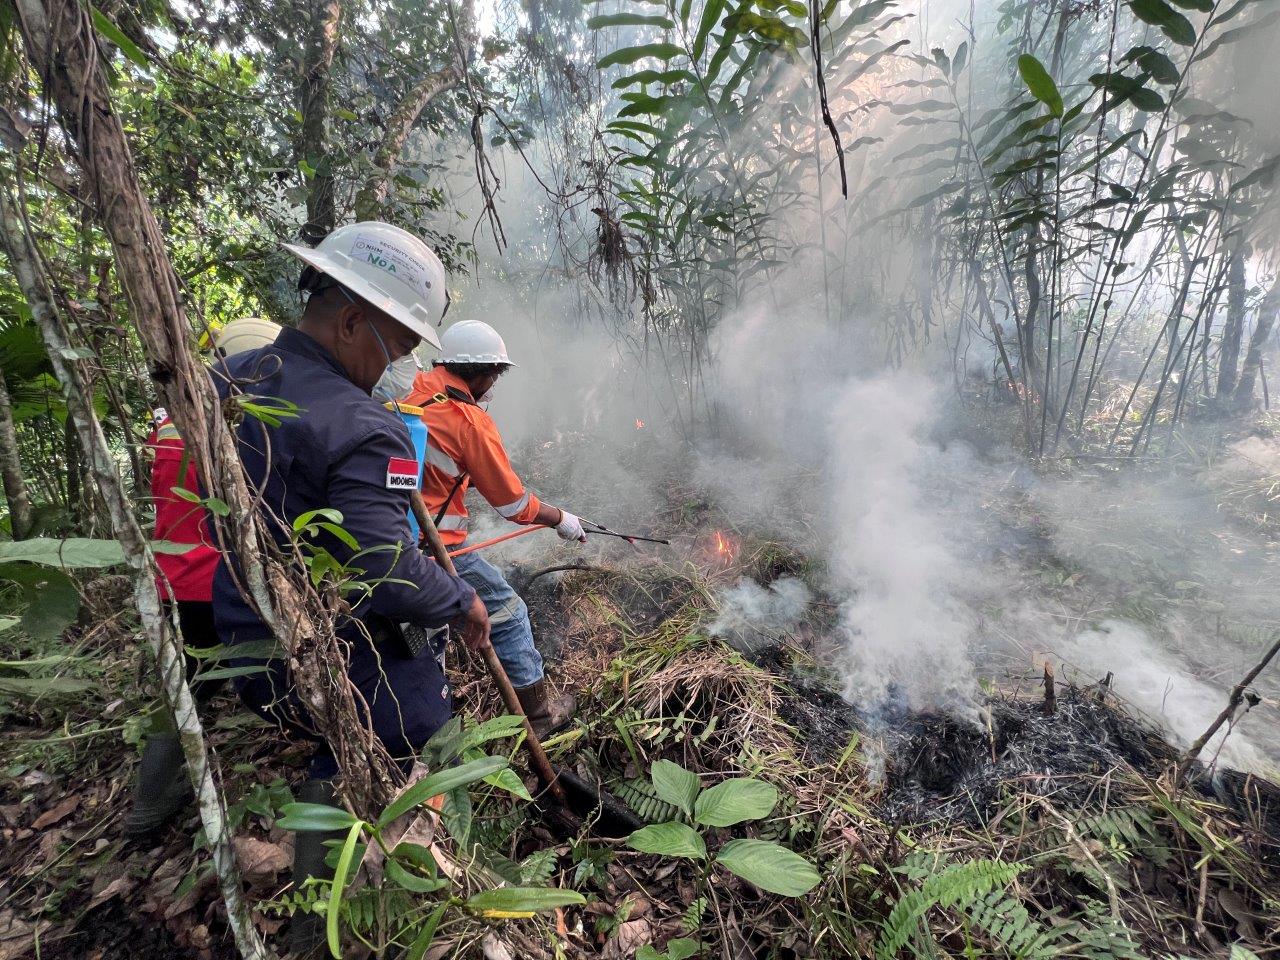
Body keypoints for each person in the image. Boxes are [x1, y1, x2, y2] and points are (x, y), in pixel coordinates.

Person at [209, 221, 489, 955]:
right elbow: (387, 570)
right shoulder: (365, 425)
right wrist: (461, 602)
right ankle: (325, 925)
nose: (395, 369)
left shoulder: (229, 381)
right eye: (395, 348)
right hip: (300, 656)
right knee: (414, 714)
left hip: (237, 628)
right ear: (351, 320)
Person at [124, 317, 283, 838]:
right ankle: (151, 806)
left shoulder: (169, 416)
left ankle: (150, 802)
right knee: (264, 668)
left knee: (186, 685)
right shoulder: (236, 417)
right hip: (219, 577)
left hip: (173, 574)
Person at [401, 319, 583, 738]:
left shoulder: (416, 391)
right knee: (511, 614)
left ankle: (421, 701)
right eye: (495, 376)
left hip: (393, 539)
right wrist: (562, 520)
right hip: (435, 550)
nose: (494, 385)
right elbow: (514, 504)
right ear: (482, 374)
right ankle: (540, 718)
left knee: (423, 633)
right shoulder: (468, 421)